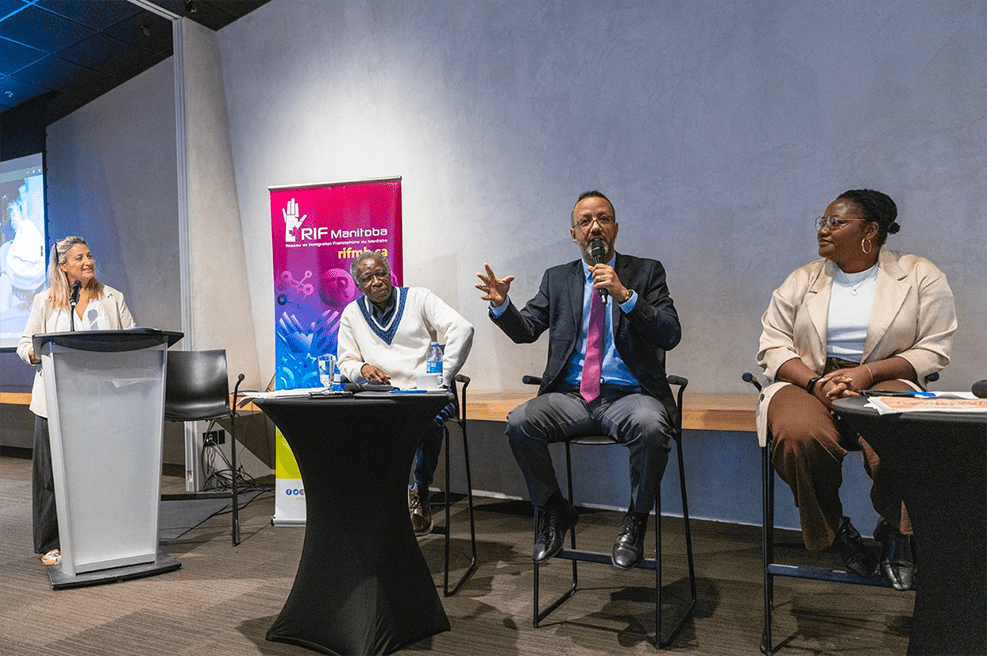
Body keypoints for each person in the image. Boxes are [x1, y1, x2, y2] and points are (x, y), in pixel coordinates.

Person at [756, 189, 956, 590]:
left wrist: (867, 374)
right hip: (808, 379)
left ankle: (897, 531)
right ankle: (835, 530)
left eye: (836, 222)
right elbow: (772, 345)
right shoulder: (802, 279)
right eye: (823, 222)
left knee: (901, 433)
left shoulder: (919, 274)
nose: (823, 230)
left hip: (884, 376)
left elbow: (934, 348)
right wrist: (814, 382)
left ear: (870, 231)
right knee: (796, 435)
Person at [476, 190, 682, 570]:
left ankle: (635, 520)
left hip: (629, 395)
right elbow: (526, 330)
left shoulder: (646, 272)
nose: (594, 227)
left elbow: (670, 333)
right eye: (585, 221)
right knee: (520, 422)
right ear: (574, 235)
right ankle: (555, 509)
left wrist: (625, 296)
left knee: (652, 428)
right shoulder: (557, 278)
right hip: (571, 396)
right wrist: (502, 305)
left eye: (603, 218)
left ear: (615, 228)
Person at [16, 236, 136, 566]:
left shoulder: (112, 298)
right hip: (55, 401)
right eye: (79, 257)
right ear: (63, 266)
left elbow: (135, 339)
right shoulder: (45, 301)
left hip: (101, 401)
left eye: (90, 255)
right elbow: (25, 344)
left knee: (102, 470)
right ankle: (52, 542)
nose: (88, 261)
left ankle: (105, 534)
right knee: (50, 476)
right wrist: (35, 353)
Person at [337, 251, 474, 534]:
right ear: (358, 285)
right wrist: (362, 368)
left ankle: (420, 490)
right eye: (367, 278)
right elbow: (345, 361)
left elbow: (462, 329)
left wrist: (442, 377)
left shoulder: (419, 298)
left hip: (428, 396)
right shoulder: (352, 313)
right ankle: (378, 495)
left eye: (381, 274)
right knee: (354, 422)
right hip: (385, 396)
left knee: (426, 421)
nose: (377, 281)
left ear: (390, 274)